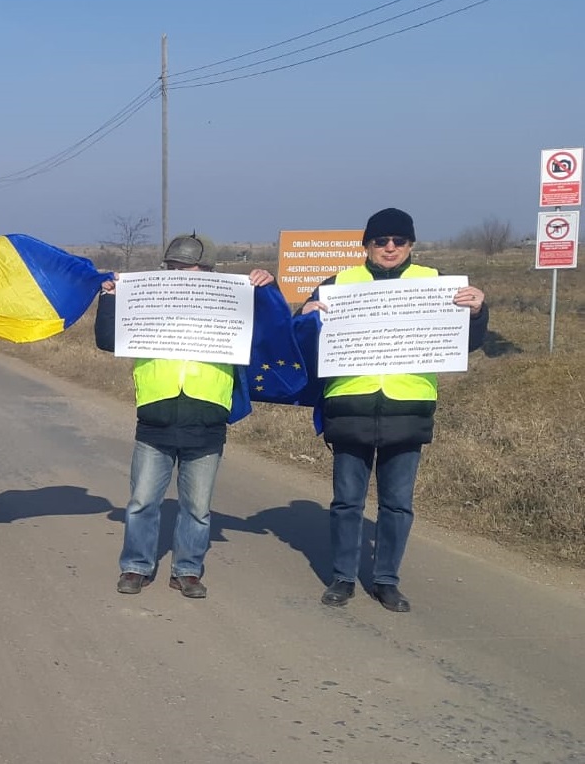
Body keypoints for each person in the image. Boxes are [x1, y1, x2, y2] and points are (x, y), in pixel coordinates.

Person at [297, 208, 487, 613]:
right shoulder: (338, 284)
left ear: (411, 245)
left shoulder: (436, 284)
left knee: (397, 505)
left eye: (398, 241)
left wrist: (476, 312)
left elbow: (465, 343)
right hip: (350, 406)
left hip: (408, 408)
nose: (389, 248)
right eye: (380, 240)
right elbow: (303, 344)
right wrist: (305, 317)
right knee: (347, 502)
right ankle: (343, 578)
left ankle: (386, 581)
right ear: (365, 244)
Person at [95, 234, 275, 599]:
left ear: (206, 269)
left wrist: (268, 287)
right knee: (143, 501)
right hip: (156, 416)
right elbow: (108, 339)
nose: (177, 272)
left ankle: (188, 570)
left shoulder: (230, 300)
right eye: (172, 266)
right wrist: (110, 299)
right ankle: (135, 566)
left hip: (206, 417)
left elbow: (270, 332)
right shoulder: (147, 298)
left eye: (185, 266)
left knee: (197, 507)